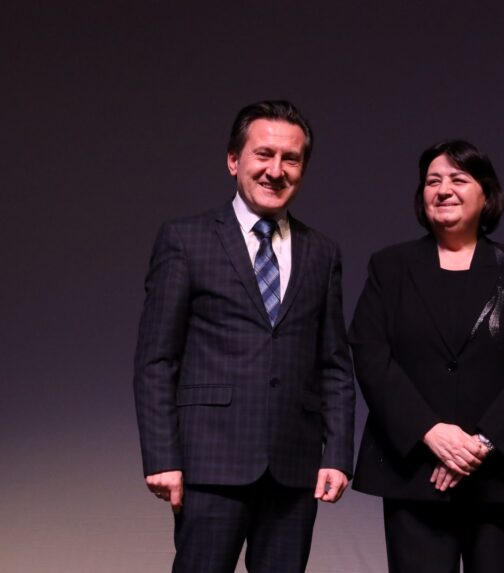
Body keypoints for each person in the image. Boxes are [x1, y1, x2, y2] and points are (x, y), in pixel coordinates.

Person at [133, 100, 355, 573]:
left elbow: (335, 364)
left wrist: (337, 454)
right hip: (210, 463)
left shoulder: (322, 252)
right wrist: (161, 456)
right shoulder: (185, 240)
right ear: (234, 160)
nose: (276, 170)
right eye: (263, 154)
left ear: (303, 169)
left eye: (290, 159)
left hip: (294, 467)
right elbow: (156, 360)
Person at [349, 140, 504, 573]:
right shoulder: (389, 266)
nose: (443, 190)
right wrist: (430, 431)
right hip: (415, 471)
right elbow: (371, 356)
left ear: (486, 194)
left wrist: (480, 444)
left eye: (458, 179)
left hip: (502, 474)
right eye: (432, 181)